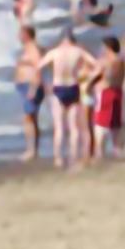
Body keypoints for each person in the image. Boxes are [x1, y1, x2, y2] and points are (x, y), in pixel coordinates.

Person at [37, 28, 100, 170]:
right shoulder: (78, 51)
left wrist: (44, 83)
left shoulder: (54, 52)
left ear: (61, 40)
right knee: (73, 128)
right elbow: (96, 65)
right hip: (73, 86)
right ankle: (73, 156)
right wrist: (88, 79)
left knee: (59, 127)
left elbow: (38, 66)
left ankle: (58, 158)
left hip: (58, 87)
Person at [13, 25, 48, 162]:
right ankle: (33, 149)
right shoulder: (28, 48)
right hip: (24, 86)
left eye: (20, 34)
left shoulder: (33, 49)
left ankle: (31, 150)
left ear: (27, 35)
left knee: (29, 118)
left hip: (30, 85)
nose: (18, 36)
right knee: (31, 118)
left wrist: (33, 88)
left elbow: (38, 68)